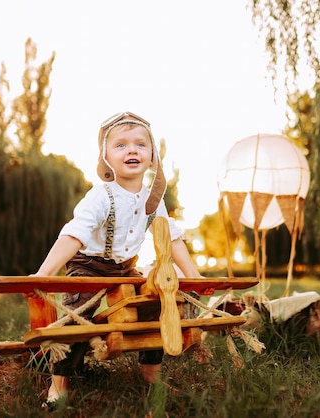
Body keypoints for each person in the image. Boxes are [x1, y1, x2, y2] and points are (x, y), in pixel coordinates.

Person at [25, 111, 212, 405]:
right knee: (77, 316)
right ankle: (59, 384)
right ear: (107, 158)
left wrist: (194, 275)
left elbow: (171, 237)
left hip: (125, 268)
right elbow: (74, 235)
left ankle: (152, 374)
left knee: (155, 304)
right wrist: (43, 274)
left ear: (152, 157)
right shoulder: (101, 196)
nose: (132, 150)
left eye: (140, 144)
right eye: (121, 145)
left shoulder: (154, 199)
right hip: (88, 264)